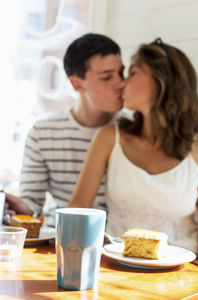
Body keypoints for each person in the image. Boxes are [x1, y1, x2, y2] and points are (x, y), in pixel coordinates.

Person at [67, 38, 198, 252]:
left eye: (132, 73)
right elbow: (77, 209)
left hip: (183, 273)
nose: (122, 83)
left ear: (161, 80)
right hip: (116, 265)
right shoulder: (109, 137)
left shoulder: (197, 147)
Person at [5, 33, 124, 226]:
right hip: (59, 236)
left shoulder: (132, 130)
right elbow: (32, 205)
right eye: (107, 77)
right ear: (77, 84)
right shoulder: (43, 133)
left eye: (122, 73)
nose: (121, 83)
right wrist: (22, 209)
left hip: (116, 243)